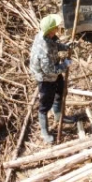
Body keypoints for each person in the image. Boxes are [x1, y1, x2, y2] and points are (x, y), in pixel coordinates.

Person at [29, 14, 72, 144]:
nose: (58, 28)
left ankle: (59, 116)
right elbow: (50, 71)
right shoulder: (44, 50)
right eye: (56, 27)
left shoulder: (48, 37)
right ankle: (44, 132)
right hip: (46, 79)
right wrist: (65, 64)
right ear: (50, 30)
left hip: (54, 73)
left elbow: (55, 44)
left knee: (61, 91)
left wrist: (66, 47)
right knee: (45, 105)